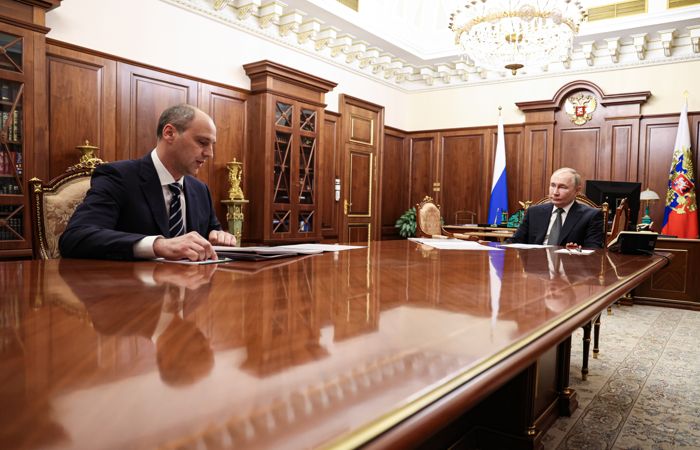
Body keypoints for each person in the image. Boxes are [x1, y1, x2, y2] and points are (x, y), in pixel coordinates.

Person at [59, 104, 236, 261]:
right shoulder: (118, 176)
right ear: (169, 133)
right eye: (202, 142)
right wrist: (158, 245)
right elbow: (76, 237)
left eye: (212, 145)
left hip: (193, 285)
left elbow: (213, 233)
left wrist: (220, 237)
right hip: (132, 286)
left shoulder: (200, 190)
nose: (210, 153)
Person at [507, 167, 604, 248]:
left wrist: (578, 252)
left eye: (562, 187)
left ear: (577, 191)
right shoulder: (534, 212)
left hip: (569, 264)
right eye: (553, 185)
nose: (555, 192)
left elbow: (594, 250)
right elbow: (515, 241)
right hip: (535, 263)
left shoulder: (591, 216)